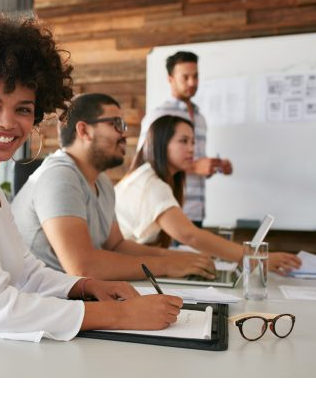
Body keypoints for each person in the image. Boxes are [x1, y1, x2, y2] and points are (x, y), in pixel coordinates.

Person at [0, 12, 183, 344]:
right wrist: (120, 315)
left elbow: (26, 271)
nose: (7, 123)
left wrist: (84, 285)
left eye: (23, 109)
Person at [12, 93, 216, 281]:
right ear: (84, 131)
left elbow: (116, 246)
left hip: (72, 298)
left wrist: (180, 258)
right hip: (42, 305)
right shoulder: (59, 177)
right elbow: (82, 267)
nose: (125, 134)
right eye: (117, 124)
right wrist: (167, 265)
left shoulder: (102, 182)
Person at [115, 115, 301, 275]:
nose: (191, 149)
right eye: (183, 141)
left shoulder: (150, 177)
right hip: (121, 270)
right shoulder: (151, 184)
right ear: (161, 144)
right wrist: (254, 257)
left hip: (131, 266)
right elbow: (190, 235)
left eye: (193, 142)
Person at [137, 51, 232, 227]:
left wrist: (213, 166)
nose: (192, 82)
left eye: (196, 76)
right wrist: (195, 167)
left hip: (196, 210)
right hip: (167, 209)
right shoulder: (159, 115)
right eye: (185, 77)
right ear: (170, 79)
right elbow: (144, 160)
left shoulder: (200, 119)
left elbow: (191, 160)